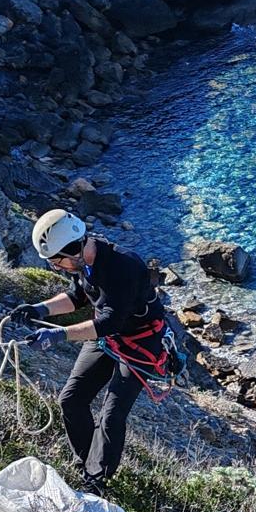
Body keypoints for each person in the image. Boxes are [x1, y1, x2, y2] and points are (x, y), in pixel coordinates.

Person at [10, 209, 169, 495]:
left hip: (140, 342)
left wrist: (59, 334)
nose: (56, 267)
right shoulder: (83, 264)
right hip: (109, 337)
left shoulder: (123, 267)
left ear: (74, 249)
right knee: (71, 400)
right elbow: (77, 297)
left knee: (112, 413)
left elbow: (109, 322)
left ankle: (96, 482)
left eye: (57, 261)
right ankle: (87, 466)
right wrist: (39, 309)